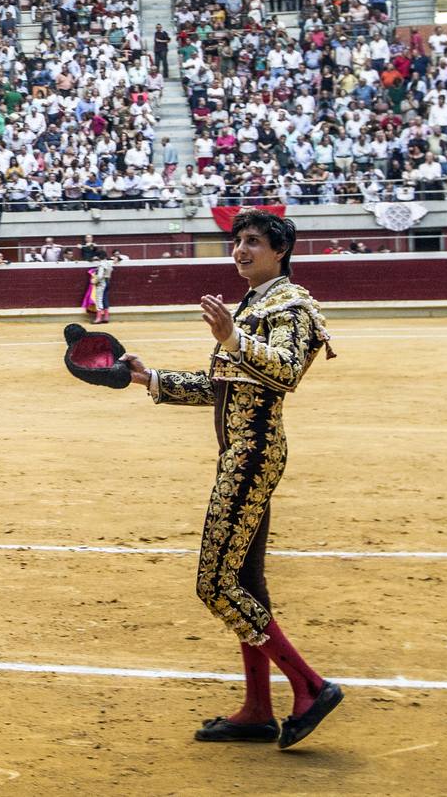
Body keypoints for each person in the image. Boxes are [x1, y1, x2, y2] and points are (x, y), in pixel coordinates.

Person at [118, 209, 343, 749]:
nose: (240, 250)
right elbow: (220, 387)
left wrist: (235, 338)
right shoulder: (251, 307)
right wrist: (151, 379)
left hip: (252, 455)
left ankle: (310, 686)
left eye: (253, 242)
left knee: (216, 584)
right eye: (236, 241)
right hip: (240, 452)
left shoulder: (289, 306)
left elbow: (286, 372)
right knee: (245, 583)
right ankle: (258, 709)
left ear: (280, 251)